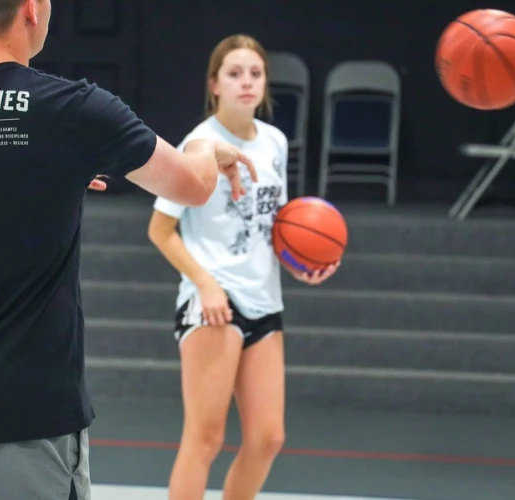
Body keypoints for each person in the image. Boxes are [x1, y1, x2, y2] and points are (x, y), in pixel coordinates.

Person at [0, 1, 256, 498]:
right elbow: (193, 186)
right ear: (31, 9)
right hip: (24, 416)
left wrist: (51, 173)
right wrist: (206, 145)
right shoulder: (69, 108)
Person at [147, 35, 340, 500]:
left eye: (255, 73)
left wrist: (298, 262)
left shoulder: (274, 142)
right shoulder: (198, 146)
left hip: (264, 299)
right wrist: (206, 284)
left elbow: (275, 223)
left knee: (268, 438)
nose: (247, 82)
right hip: (213, 302)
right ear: (214, 84)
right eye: (235, 73)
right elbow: (160, 230)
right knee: (206, 439)